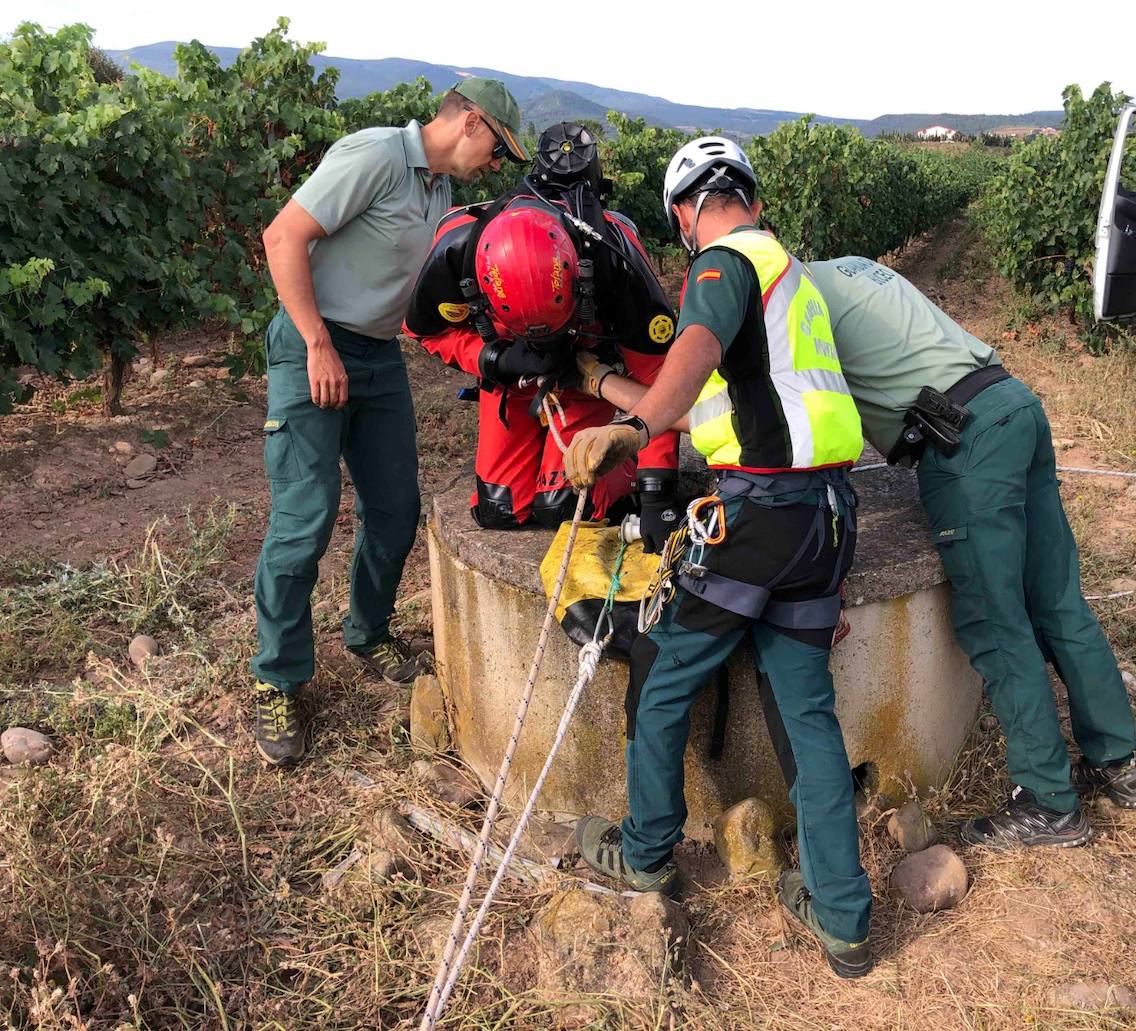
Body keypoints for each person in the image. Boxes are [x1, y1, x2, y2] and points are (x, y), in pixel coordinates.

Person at [587, 253, 1136, 846]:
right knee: (1058, 599)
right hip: (1013, 405)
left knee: (995, 618)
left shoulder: (790, 305)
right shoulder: (854, 269)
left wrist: (602, 387)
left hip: (962, 443)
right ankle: (1120, 764)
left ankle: (1048, 800)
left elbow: (704, 411)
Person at [561, 137, 875, 979]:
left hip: (761, 516)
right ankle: (842, 916)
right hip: (827, 520)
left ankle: (648, 850)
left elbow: (679, 374)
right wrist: (603, 387)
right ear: (753, 196)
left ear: (684, 212)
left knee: (662, 669)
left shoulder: (721, 264)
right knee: (807, 712)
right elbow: (694, 396)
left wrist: (623, 431)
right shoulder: (787, 283)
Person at [250, 78, 528, 767]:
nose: (496, 163)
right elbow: (282, 235)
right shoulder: (376, 156)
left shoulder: (438, 191)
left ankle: (367, 630)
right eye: (499, 147)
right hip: (313, 345)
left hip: (376, 358)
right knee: (305, 519)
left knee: (397, 510)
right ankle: (276, 677)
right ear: (470, 122)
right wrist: (315, 341)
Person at [404, 123, 680, 546]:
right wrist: (493, 359)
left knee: (565, 506)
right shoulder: (456, 252)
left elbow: (659, 376)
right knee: (498, 509)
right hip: (510, 381)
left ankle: (614, 482)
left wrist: (657, 489)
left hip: (585, 382)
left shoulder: (615, 261)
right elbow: (427, 332)